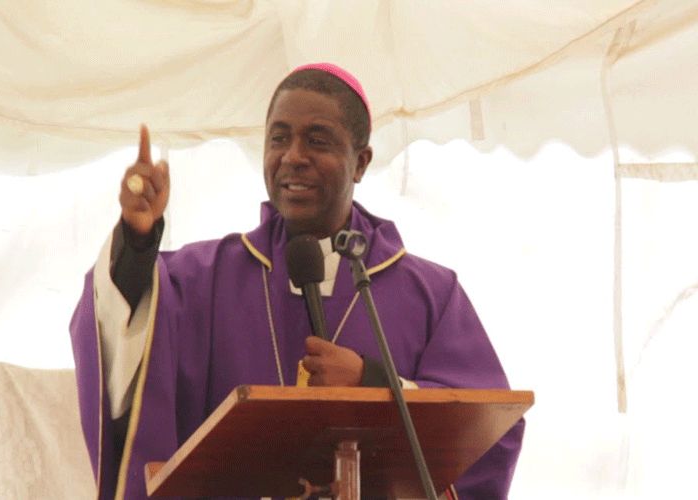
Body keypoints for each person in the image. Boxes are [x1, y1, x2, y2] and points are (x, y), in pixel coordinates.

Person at [70, 63, 524, 500]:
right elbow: (122, 323)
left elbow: (489, 427)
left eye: (317, 140)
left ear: (361, 162)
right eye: (279, 138)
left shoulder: (429, 294)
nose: (293, 157)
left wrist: (371, 380)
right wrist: (137, 241)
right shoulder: (202, 280)